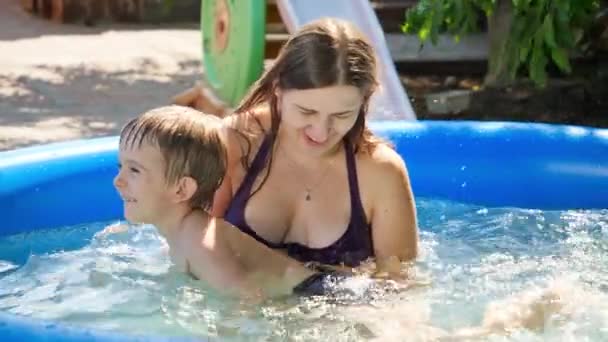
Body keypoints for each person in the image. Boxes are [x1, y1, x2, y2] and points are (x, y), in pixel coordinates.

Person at [210, 17, 418, 278]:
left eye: (342, 115)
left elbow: (399, 284)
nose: (321, 131)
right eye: (306, 111)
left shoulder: (381, 173)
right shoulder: (237, 142)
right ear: (279, 90)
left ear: (364, 102)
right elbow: (191, 239)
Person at [112, 105, 354, 299]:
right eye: (120, 166)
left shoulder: (198, 242)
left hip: (322, 294)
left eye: (134, 170)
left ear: (181, 189)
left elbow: (249, 297)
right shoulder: (183, 233)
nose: (117, 181)